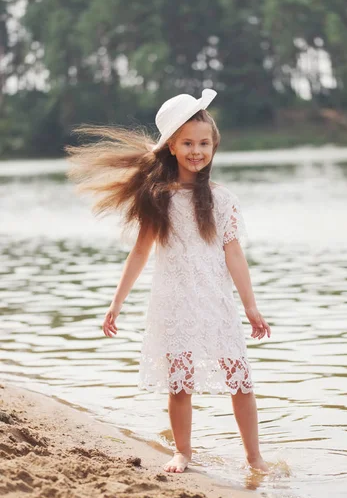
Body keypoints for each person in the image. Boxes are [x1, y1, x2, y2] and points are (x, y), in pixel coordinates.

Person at [66, 88, 271, 474]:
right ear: (172, 147)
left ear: (214, 146)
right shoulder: (158, 197)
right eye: (189, 143)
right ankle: (183, 452)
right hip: (174, 301)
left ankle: (254, 458)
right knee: (181, 384)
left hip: (216, 301)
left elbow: (234, 254)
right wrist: (116, 303)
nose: (198, 150)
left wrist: (250, 306)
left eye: (205, 143)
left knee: (240, 379)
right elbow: (140, 252)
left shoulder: (222, 199)